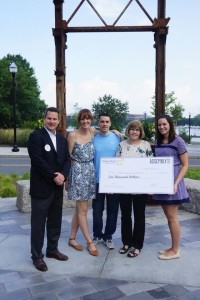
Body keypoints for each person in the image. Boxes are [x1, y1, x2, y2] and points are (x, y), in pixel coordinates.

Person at [28, 107, 71, 272]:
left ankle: (52, 250)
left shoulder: (61, 138)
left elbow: (67, 159)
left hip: (57, 189)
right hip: (42, 188)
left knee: (55, 222)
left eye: (55, 119)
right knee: (38, 224)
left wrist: (64, 175)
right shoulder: (36, 137)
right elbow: (37, 160)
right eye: (49, 118)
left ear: (59, 121)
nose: (52, 121)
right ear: (44, 119)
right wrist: (55, 175)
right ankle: (37, 257)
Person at [152, 114, 190, 260]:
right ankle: (172, 247)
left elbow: (185, 165)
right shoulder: (158, 141)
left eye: (164, 124)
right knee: (168, 217)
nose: (162, 127)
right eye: (160, 125)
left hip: (173, 184)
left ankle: (175, 250)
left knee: (172, 217)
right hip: (161, 183)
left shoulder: (178, 141)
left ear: (170, 125)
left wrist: (175, 183)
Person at [116, 120, 153, 257]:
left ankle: (137, 245)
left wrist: (150, 185)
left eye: (137, 130)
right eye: (132, 129)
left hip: (140, 187)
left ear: (140, 132)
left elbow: (150, 165)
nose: (134, 132)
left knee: (139, 216)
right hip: (124, 188)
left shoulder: (145, 145)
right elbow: (116, 165)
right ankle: (126, 242)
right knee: (125, 216)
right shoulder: (121, 145)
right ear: (128, 131)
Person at [66, 109, 98, 256]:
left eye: (88, 119)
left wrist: (116, 131)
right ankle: (89, 242)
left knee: (79, 209)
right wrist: (67, 178)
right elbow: (68, 158)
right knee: (83, 210)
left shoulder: (93, 132)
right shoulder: (72, 135)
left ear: (91, 120)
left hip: (90, 172)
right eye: (83, 119)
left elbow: (105, 131)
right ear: (79, 120)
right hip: (78, 174)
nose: (85, 121)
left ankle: (72, 238)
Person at [92, 113, 121, 249]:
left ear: (110, 123)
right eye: (102, 121)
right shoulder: (93, 138)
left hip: (113, 181)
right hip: (97, 180)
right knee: (97, 210)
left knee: (112, 210)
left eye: (107, 121)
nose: (104, 124)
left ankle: (108, 236)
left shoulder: (117, 137)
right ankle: (97, 235)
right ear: (98, 123)